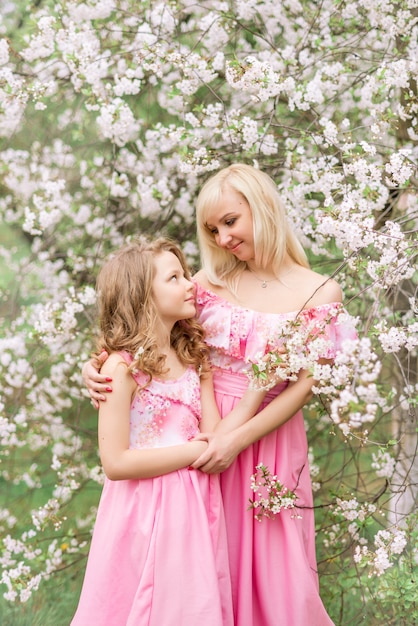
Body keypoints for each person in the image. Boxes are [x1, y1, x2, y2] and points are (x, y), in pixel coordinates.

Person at [84, 164, 356, 625]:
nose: (223, 238)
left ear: (263, 208)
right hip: (201, 434)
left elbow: (304, 387)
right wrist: (95, 365)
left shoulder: (319, 291)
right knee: (203, 560)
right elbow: (151, 341)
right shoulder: (207, 287)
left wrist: (238, 437)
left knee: (278, 573)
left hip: (268, 437)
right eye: (212, 229)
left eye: (231, 221)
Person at [72, 236, 264, 626]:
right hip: (140, 509)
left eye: (187, 274)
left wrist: (251, 390)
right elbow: (115, 462)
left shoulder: (194, 359)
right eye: (174, 278)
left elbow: (211, 434)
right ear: (142, 295)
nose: (190, 283)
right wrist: (193, 453)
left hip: (192, 506)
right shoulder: (120, 369)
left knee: (186, 606)